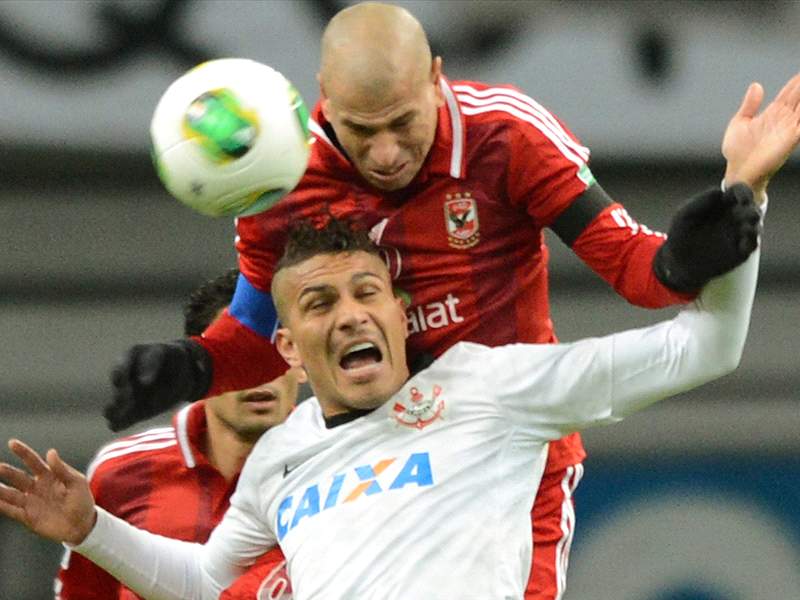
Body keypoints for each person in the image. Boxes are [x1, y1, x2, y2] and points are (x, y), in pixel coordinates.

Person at [104, 3, 800, 597]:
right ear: (324, 101)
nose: (385, 153)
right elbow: (262, 338)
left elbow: (636, 271)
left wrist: (685, 258)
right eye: (361, 130)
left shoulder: (506, 135)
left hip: (503, 435)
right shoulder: (282, 178)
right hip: (360, 448)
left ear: (436, 77)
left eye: (402, 123)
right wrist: (193, 366)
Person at [0, 200, 771, 598]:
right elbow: (206, 582)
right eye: (319, 303)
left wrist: (747, 200)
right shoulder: (280, 456)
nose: (349, 315)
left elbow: (707, 347)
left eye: (367, 292)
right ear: (288, 348)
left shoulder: (488, 387)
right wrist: (91, 529)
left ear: (402, 315)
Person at [55, 269, 303, 599]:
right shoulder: (123, 471)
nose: (260, 375)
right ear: (205, 367)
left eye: (275, 353)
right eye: (240, 357)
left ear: (302, 359)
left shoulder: (342, 468)